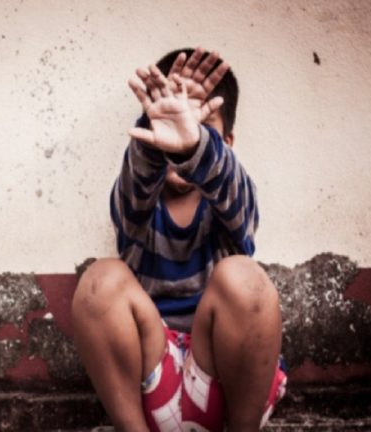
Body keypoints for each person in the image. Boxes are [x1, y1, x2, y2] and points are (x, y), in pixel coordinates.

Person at [71, 48, 287, 432]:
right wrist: (155, 142)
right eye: (174, 118)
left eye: (201, 123)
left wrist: (194, 147)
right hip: (154, 384)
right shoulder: (139, 204)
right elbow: (133, 190)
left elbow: (233, 189)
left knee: (245, 277)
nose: (181, 133)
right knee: (99, 280)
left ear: (226, 142)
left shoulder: (231, 198)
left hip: (230, 388)